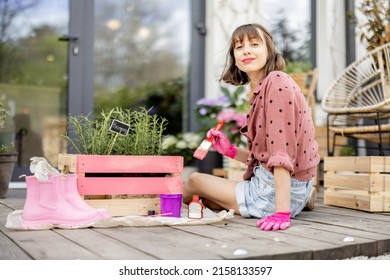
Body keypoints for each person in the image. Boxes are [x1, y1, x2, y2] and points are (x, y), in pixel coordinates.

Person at [183, 23, 320, 231]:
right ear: (235, 59)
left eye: (254, 44)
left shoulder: (276, 83)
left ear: (269, 51)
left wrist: (281, 213)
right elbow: (264, 155)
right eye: (239, 47)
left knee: (194, 182)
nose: (246, 50)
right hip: (289, 187)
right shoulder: (265, 88)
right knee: (207, 199)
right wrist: (229, 150)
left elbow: (280, 153)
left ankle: (289, 205)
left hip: (272, 194)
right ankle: (301, 200)